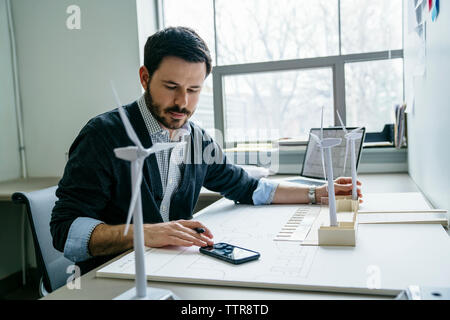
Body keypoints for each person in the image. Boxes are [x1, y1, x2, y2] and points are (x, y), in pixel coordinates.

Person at [50, 26, 362, 274]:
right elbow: (65, 231)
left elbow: (248, 187)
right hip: (112, 277)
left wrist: (317, 193)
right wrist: (146, 233)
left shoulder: (197, 139)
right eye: (171, 87)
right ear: (145, 78)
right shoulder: (103, 136)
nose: (182, 103)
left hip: (170, 269)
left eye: (194, 90)